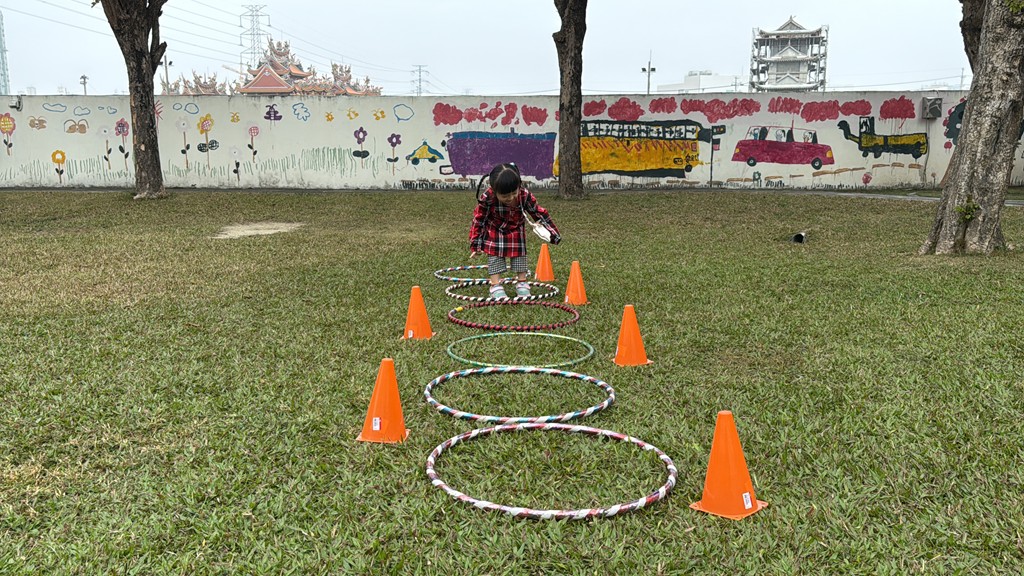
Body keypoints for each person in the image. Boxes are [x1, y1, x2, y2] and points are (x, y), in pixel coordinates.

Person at [469, 163, 561, 299]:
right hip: (495, 229)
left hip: (516, 229)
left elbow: (539, 213)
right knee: (495, 256)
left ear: (519, 186)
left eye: (514, 193)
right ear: (494, 190)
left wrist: (552, 233)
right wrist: (476, 244)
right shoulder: (487, 197)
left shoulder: (524, 195)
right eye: (505, 196)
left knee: (520, 256)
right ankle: (495, 285)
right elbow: (479, 220)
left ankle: (522, 283)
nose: (511, 198)